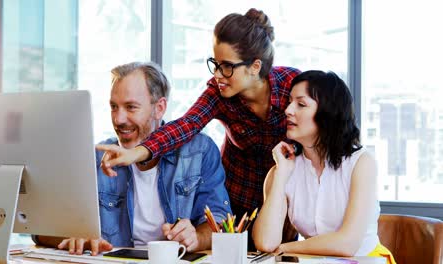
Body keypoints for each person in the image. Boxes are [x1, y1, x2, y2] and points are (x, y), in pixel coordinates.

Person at [96, 8, 301, 249]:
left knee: (279, 252)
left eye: (226, 66)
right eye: (215, 64)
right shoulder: (219, 92)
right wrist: (137, 153)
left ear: (255, 66)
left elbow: (323, 125)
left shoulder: (292, 87)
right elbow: (186, 126)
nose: (217, 74)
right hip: (238, 192)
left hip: (283, 193)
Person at [33, 62, 231, 255]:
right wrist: (74, 237)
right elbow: (40, 230)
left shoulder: (199, 151)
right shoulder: (95, 158)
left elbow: (220, 222)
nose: (118, 119)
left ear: (159, 108)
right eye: (113, 107)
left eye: (131, 107)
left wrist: (197, 237)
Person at [252, 71, 396, 263]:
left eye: (301, 104)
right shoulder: (285, 169)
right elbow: (265, 242)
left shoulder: (361, 162)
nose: (288, 110)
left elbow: (347, 244)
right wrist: (281, 175)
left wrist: (287, 248)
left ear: (328, 114)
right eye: (289, 101)